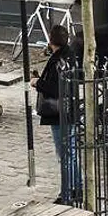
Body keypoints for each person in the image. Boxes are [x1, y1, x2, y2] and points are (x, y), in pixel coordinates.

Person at [32, 24, 78, 205]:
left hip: (59, 111)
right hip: (71, 107)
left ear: (51, 41)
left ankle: (67, 192)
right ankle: (77, 186)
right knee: (71, 152)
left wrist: (37, 82)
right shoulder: (71, 55)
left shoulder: (57, 60)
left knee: (65, 153)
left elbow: (55, 88)